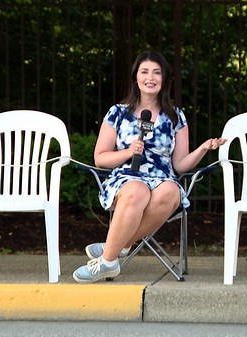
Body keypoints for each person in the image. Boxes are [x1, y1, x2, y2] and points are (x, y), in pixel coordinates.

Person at [73, 50, 226, 283]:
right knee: (137, 190)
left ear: (164, 79)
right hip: (126, 177)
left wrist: (203, 148)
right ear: (136, 77)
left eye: (157, 72)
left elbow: (180, 165)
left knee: (170, 191)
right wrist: (128, 151)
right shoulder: (117, 113)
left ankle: (114, 247)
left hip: (162, 178)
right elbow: (100, 158)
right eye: (144, 72)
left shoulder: (176, 117)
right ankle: (108, 262)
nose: (150, 77)